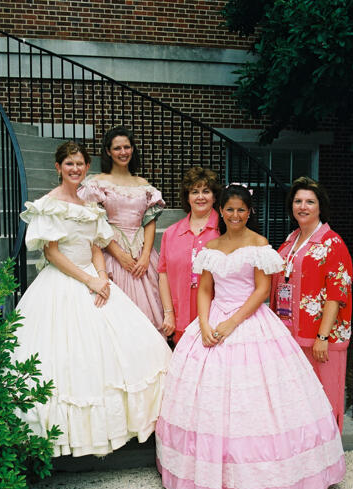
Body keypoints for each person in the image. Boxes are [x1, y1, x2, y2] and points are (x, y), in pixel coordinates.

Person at [156, 183, 345, 489]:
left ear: (250, 212)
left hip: (249, 320)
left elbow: (261, 291)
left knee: (256, 403)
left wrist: (232, 323)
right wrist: (204, 323)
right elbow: (204, 290)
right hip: (213, 318)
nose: (235, 215)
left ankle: (267, 480)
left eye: (241, 210)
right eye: (229, 209)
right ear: (222, 211)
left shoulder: (260, 244)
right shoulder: (210, 247)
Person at [13, 141, 172, 458]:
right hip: (64, 281)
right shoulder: (50, 204)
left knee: (134, 347)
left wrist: (103, 277)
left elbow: (97, 246)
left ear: (87, 168)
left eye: (80, 164)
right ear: (58, 168)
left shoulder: (90, 206)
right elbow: (52, 252)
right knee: (71, 360)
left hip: (94, 277)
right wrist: (88, 280)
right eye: (69, 164)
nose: (75, 169)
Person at [270, 176, 352, 433]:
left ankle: (327, 458)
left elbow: (337, 294)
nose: (302, 206)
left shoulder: (332, 243)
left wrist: (323, 336)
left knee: (324, 400)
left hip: (320, 338)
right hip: (290, 335)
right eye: (298, 201)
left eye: (309, 201)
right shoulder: (290, 240)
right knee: (299, 402)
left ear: (320, 206)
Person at [78, 126, 164, 331]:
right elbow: (95, 225)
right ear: (108, 151)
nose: (123, 152)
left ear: (133, 149)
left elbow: (150, 221)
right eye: (117, 148)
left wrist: (144, 256)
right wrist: (119, 255)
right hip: (111, 250)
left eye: (127, 147)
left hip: (142, 252)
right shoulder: (97, 183)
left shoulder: (143, 184)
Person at [158, 167, 221, 344]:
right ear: (187, 197)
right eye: (195, 191)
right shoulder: (171, 234)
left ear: (214, 197)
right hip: (181, 316)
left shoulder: (224, 232)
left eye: (206, 191)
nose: (200, 196)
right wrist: (169, 313)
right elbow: (163, 275)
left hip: (215, 318)